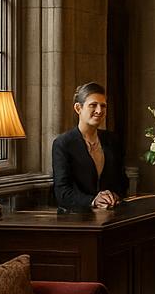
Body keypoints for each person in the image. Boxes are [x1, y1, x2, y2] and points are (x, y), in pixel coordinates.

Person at [52, 82, 128, 211]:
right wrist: (93, 201)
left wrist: (114, 196)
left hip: (111, 216)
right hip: (76, 219)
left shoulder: (112, 140)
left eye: (103, 106)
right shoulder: (63, 143)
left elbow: (122, 181)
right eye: (93, 105)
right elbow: (62, 192)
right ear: (78, 108)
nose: (99, 111)